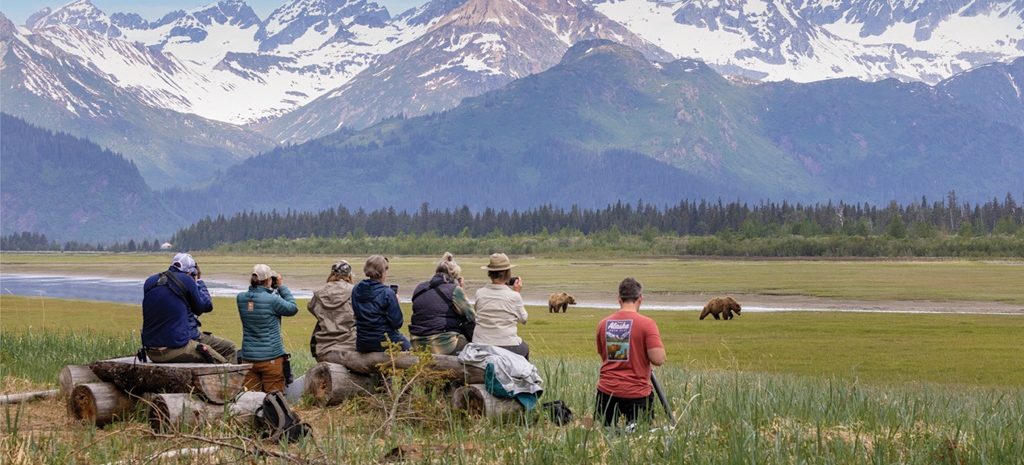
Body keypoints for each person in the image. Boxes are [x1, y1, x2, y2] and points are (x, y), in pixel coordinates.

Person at [594, 278, 666, 429]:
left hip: (606, 393)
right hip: (636, 394)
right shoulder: (647, 324)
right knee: (638, 441)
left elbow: (604, 355)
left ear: (619, 299)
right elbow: (658, 359)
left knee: (605, 437)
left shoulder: (603, 324)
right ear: (640, 298)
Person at [142, 253, 237, 363]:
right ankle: (228, 378)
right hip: (175, 348)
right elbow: (203, 307)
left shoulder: (150, 281)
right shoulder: (187, 280)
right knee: (222, 362)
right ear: (190, 272)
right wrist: (198, 282)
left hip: (151, 351)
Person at [237, 264, 298, 393]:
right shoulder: (272, 300)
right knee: (274, 399)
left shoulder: (241, 298)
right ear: (268, 280)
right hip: (271, 357)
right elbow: (292, 308)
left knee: (252, 399)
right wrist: (281, 286)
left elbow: (256, 299)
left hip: (248, 357)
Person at [409, 252, 476, 355]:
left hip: (416, 343)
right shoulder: (454, 290)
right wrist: (461, 290)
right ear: (454, 277)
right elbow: (471, 317)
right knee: (474, 340)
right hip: (443, 345)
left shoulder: (419, 288)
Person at [473, 253, 529, 359]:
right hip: (507, 343)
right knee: (525, 348)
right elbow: (524, 319)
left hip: (480, 343)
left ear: (489, 273)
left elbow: (477, 312)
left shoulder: (479, 293)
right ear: (508, 274)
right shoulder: (514, 296)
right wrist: (517, 293)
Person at [352, 255, 410, 352]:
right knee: (412, 349)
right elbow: (397, 323)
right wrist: (397, 303)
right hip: (384, 340)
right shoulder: (387, 293)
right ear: (382, 272)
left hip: (363, 342)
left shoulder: (356, 289)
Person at [308, 260, 357, 363]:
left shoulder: (319, 292)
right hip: (350, 344)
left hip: (323, 346)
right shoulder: (355, 291)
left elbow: (311, 308)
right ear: (349, 275)